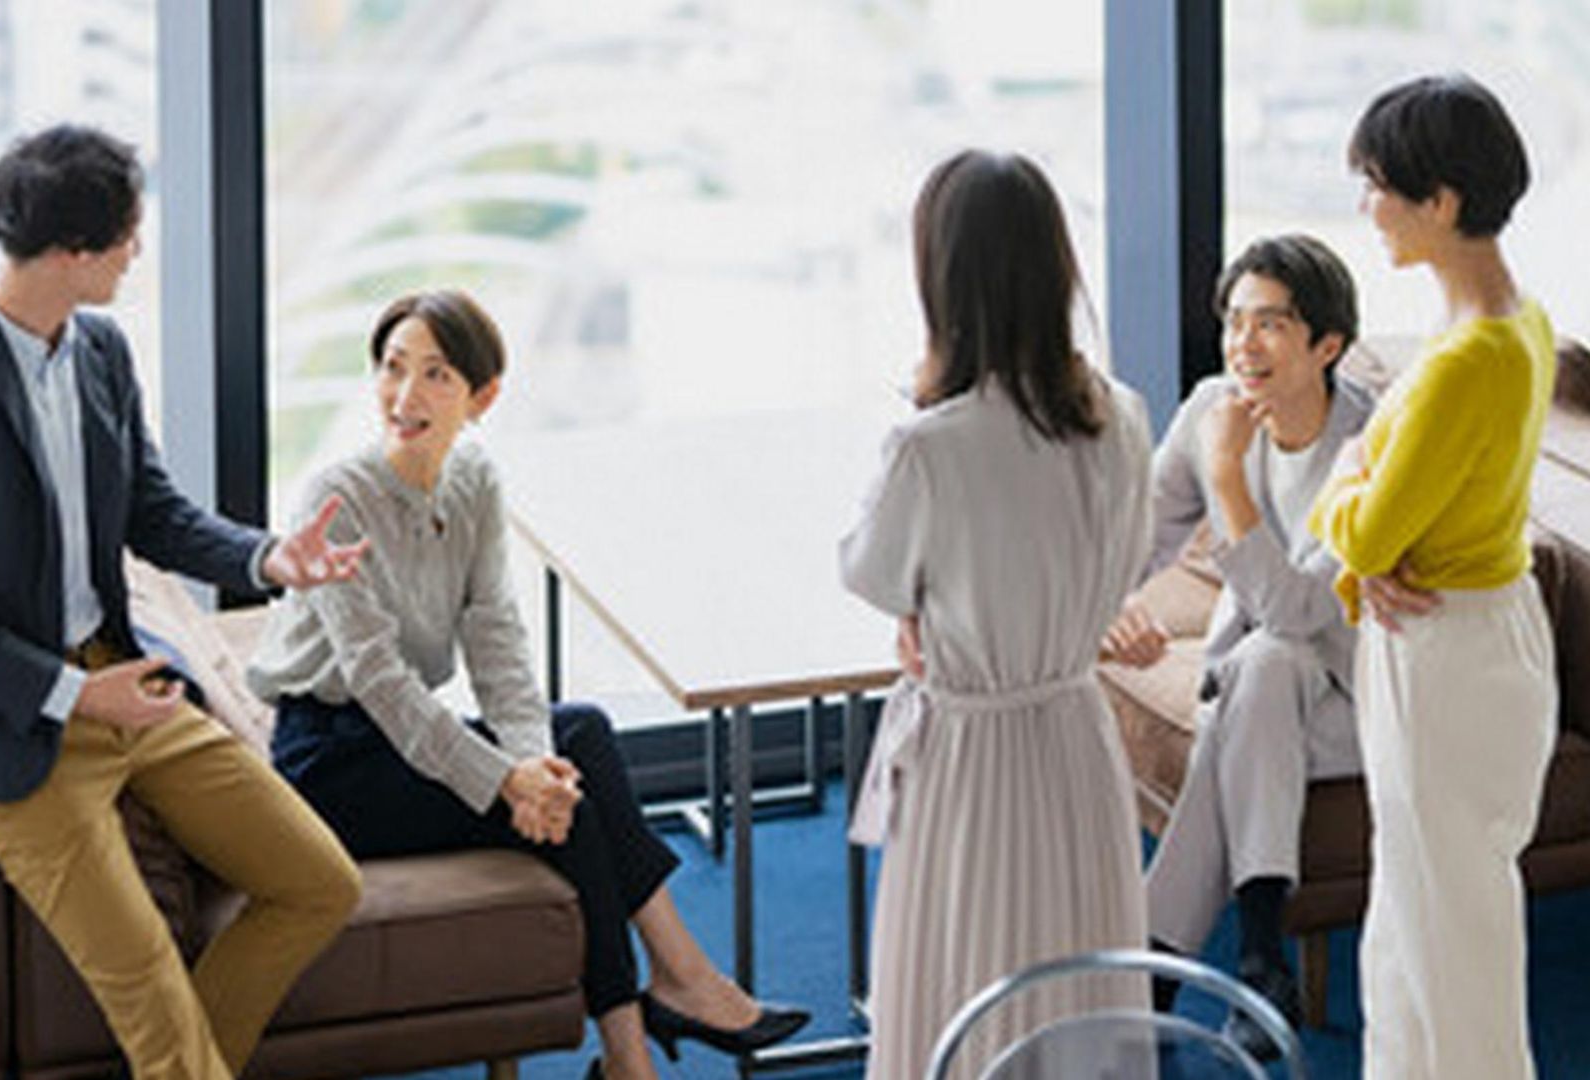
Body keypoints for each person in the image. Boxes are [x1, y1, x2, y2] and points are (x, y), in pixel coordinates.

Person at [0, 124, 367, 1080]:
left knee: (319, 883)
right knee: (151, 993)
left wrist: (268, 558)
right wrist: (71, 695)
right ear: (73, 252)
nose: (138, 250)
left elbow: (151, 510)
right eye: (128, 235)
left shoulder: (98, 350)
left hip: (125, 679)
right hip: (10, 729)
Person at [246, 290, 808, 1080]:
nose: (404, 396)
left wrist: (533, 764)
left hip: (401, 742)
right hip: (331, 763)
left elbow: (498, 641)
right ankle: (646, 1036)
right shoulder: (338, 499)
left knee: (579, 745)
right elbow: (384, 686)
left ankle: (667, 997)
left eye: (435, 375)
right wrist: (506, 779)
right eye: (393, 368)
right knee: (569, 808)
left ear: (482, 397)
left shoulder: (473, 477)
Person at [840, 149, 1154, 1080]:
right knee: (1077, 970)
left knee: (962, 973)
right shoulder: (1122, 416)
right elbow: (1125, 559)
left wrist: (929, 609)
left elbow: (871, 571)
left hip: (972, 756)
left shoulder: (928, 445)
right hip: (1077, 735)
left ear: (942, 278)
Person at [1312, 74, 1557, 1079]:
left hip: (1444, 654)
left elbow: (1367, 532)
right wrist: (1366, 527)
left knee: (1446, 938)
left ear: (1441, 200)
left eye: (1378, 185)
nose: (1368, 206)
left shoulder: (1465, 360)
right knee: (1424, 918)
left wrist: (1346, 474)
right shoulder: (1521, 321)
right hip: (1485, 632)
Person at [1101, 234, 1370, 1053]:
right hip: (1268, 692)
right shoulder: (1212, 408)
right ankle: (1259, 961)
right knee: (1258, 677)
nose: (1243, 345)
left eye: (1271, 325)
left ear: (1327, 345)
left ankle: (1156, 976)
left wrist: (1226, 477)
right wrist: (1110, 604)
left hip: (1358, 695)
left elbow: (1298, 612)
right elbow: (1141, 531)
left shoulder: (1369, 445)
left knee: (1264, 665)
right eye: (1235, 322)